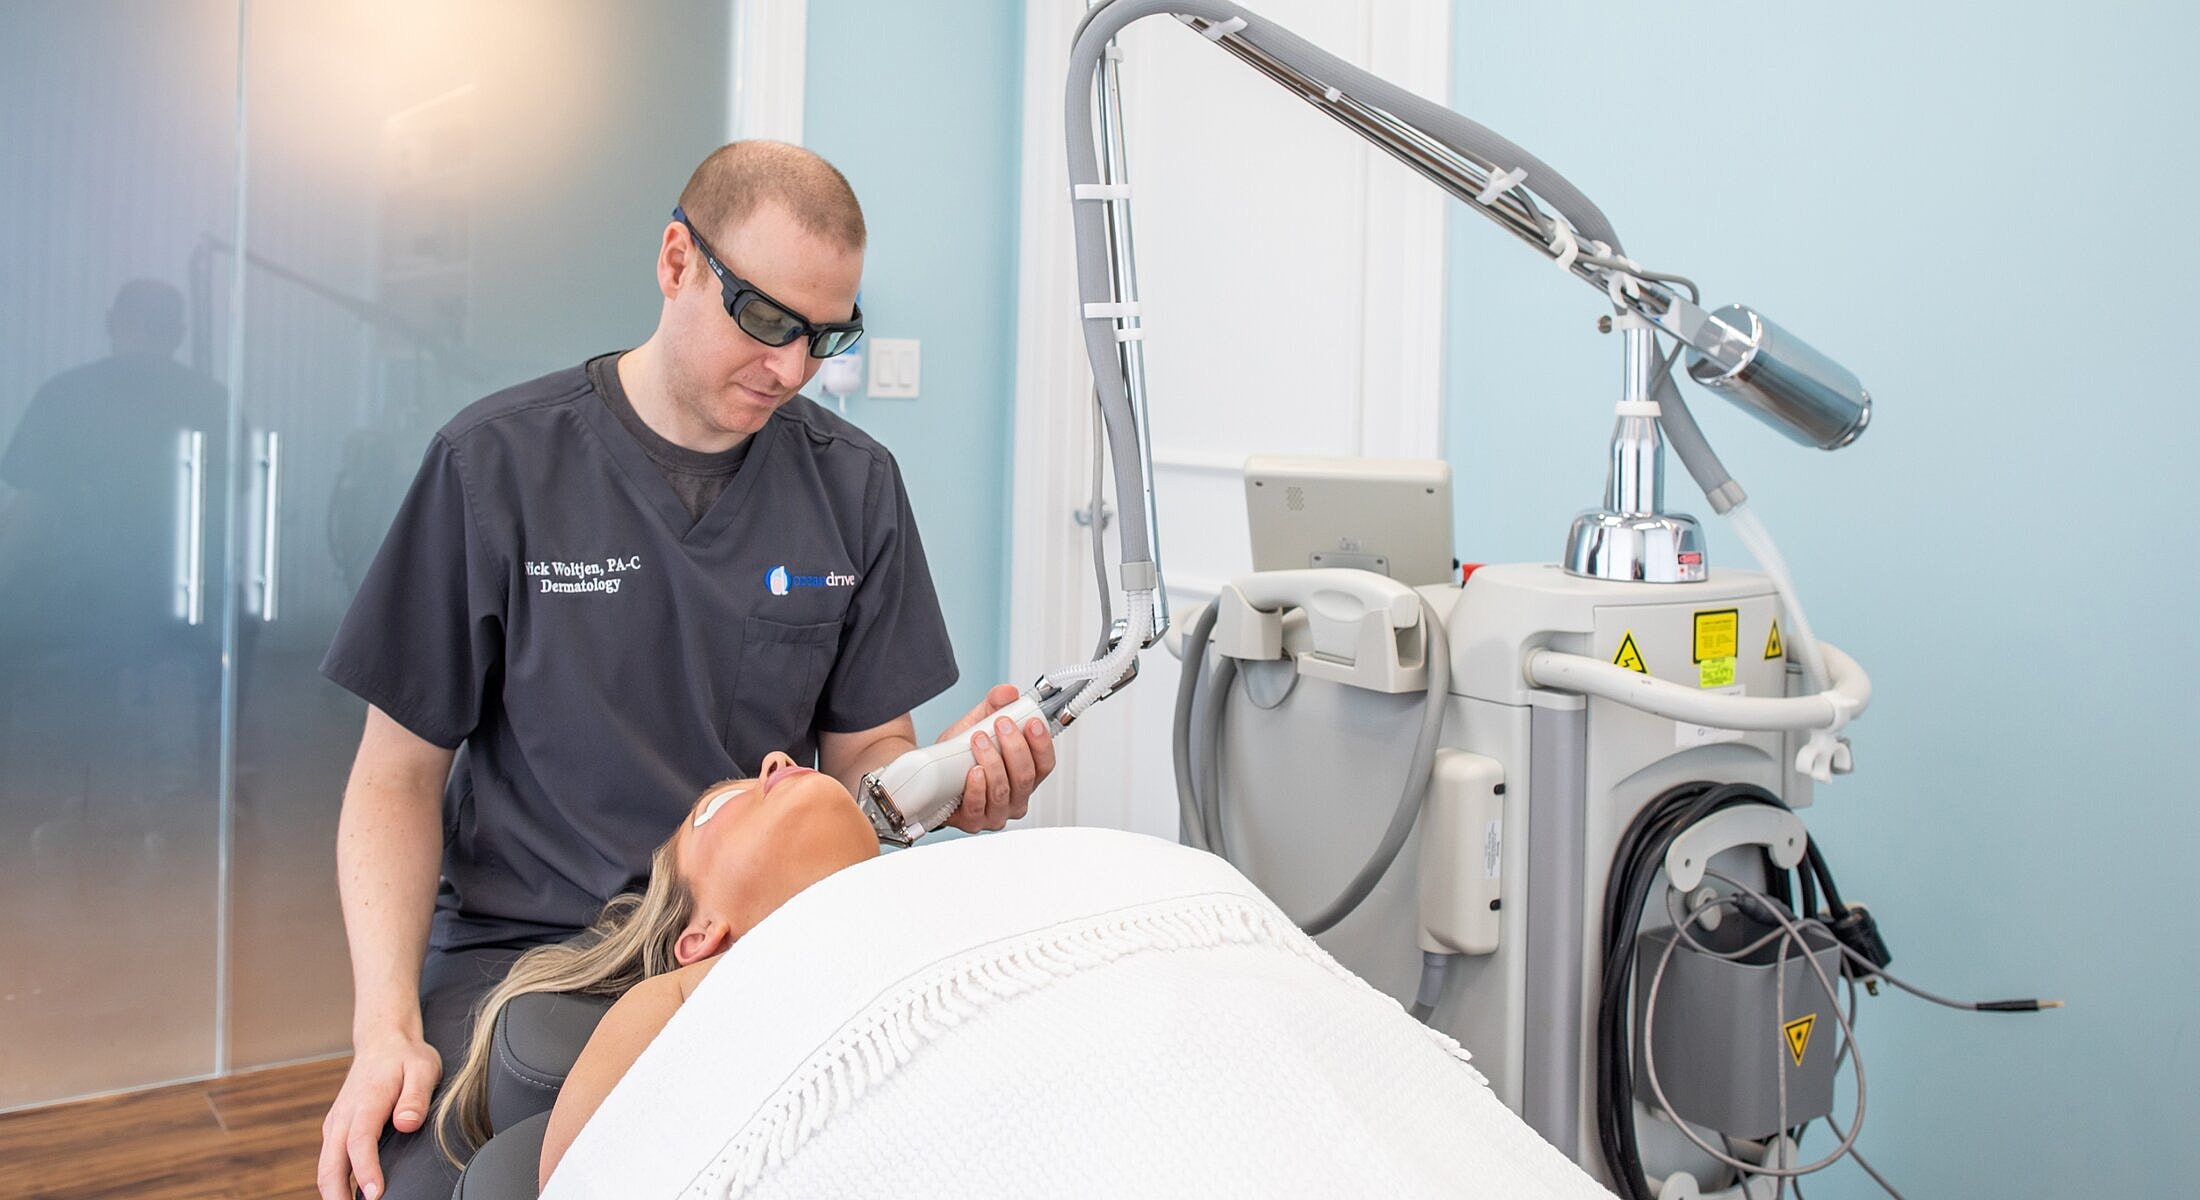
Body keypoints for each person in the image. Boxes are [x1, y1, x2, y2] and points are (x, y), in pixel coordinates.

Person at [315, 142, 1054, 1200]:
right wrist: (382, 1028)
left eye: (825, 335)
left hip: (749, 945)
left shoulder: (855, 489)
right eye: (765, 321)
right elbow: (393, 777)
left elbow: (866, 763)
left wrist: (940, 780)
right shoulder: (497, 467)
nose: (793, 369)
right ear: (676, 262)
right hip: (520, 939)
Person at [430, 752, 880, 1186]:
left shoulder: (936, 892)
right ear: (702, 937)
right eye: (720, 804)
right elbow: (575, 1183)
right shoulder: (687, 994)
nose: (777, 761)